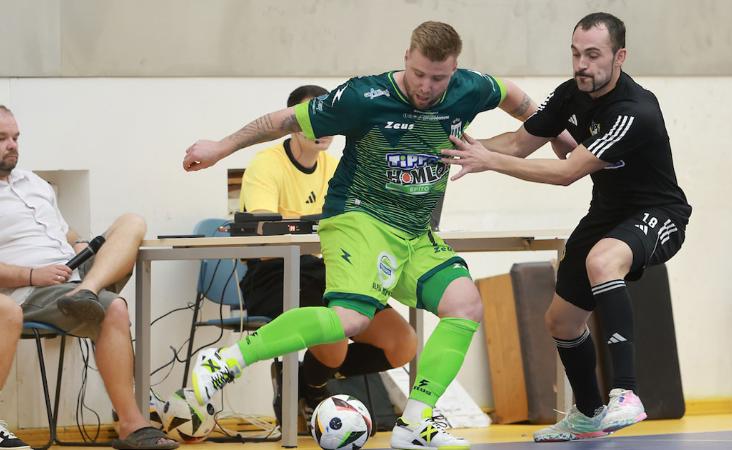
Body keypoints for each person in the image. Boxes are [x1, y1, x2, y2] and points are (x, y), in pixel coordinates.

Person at [182, 21, 537, 449]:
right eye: (419, 74)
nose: (425, 86)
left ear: (454, 70)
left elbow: (518, 100)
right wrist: (220, 147)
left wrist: (558, 133)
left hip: (414, 230)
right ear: (406, 57)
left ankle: (415, 423)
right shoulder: (364, 96)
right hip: (358, 218)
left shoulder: (471, 88)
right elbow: (281, 120)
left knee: (464, 304)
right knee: (351, 319)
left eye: (437, 78)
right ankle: (225, 360)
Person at [441, 12, 691, 442]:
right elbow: (519, 143)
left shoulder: (634, 111)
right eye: (576, 54)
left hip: (659, 213)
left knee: (602, 260)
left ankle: (626, 394)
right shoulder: (569, 95)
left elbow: (566, 173)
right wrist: (460, 150)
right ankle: (589, 414)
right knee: (561, 321)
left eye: (593, 55)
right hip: (607, 213)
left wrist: (491, 162)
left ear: (620, 57)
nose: (581, 65)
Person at [238, 84, 418, 426]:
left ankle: (309, 380)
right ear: (293, 124)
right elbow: (265, 230)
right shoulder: (266, 164)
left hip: (327, 270)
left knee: (403, 343)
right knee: (333, 338)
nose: (323, 129)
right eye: (313, 119)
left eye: (329, 119)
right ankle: (314, 387)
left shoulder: (338, 166)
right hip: (275, 274)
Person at [0, 105, 178, 450]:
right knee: (115, 309)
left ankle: (88, 289)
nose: (12, 145)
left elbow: (60, 230)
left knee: (132, 221)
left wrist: (79, 242)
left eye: (16, 137)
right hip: (31, 290)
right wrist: (33, 274)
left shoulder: (33, 182)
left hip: (73, 273)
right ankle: (133, 423)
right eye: (2, 139)